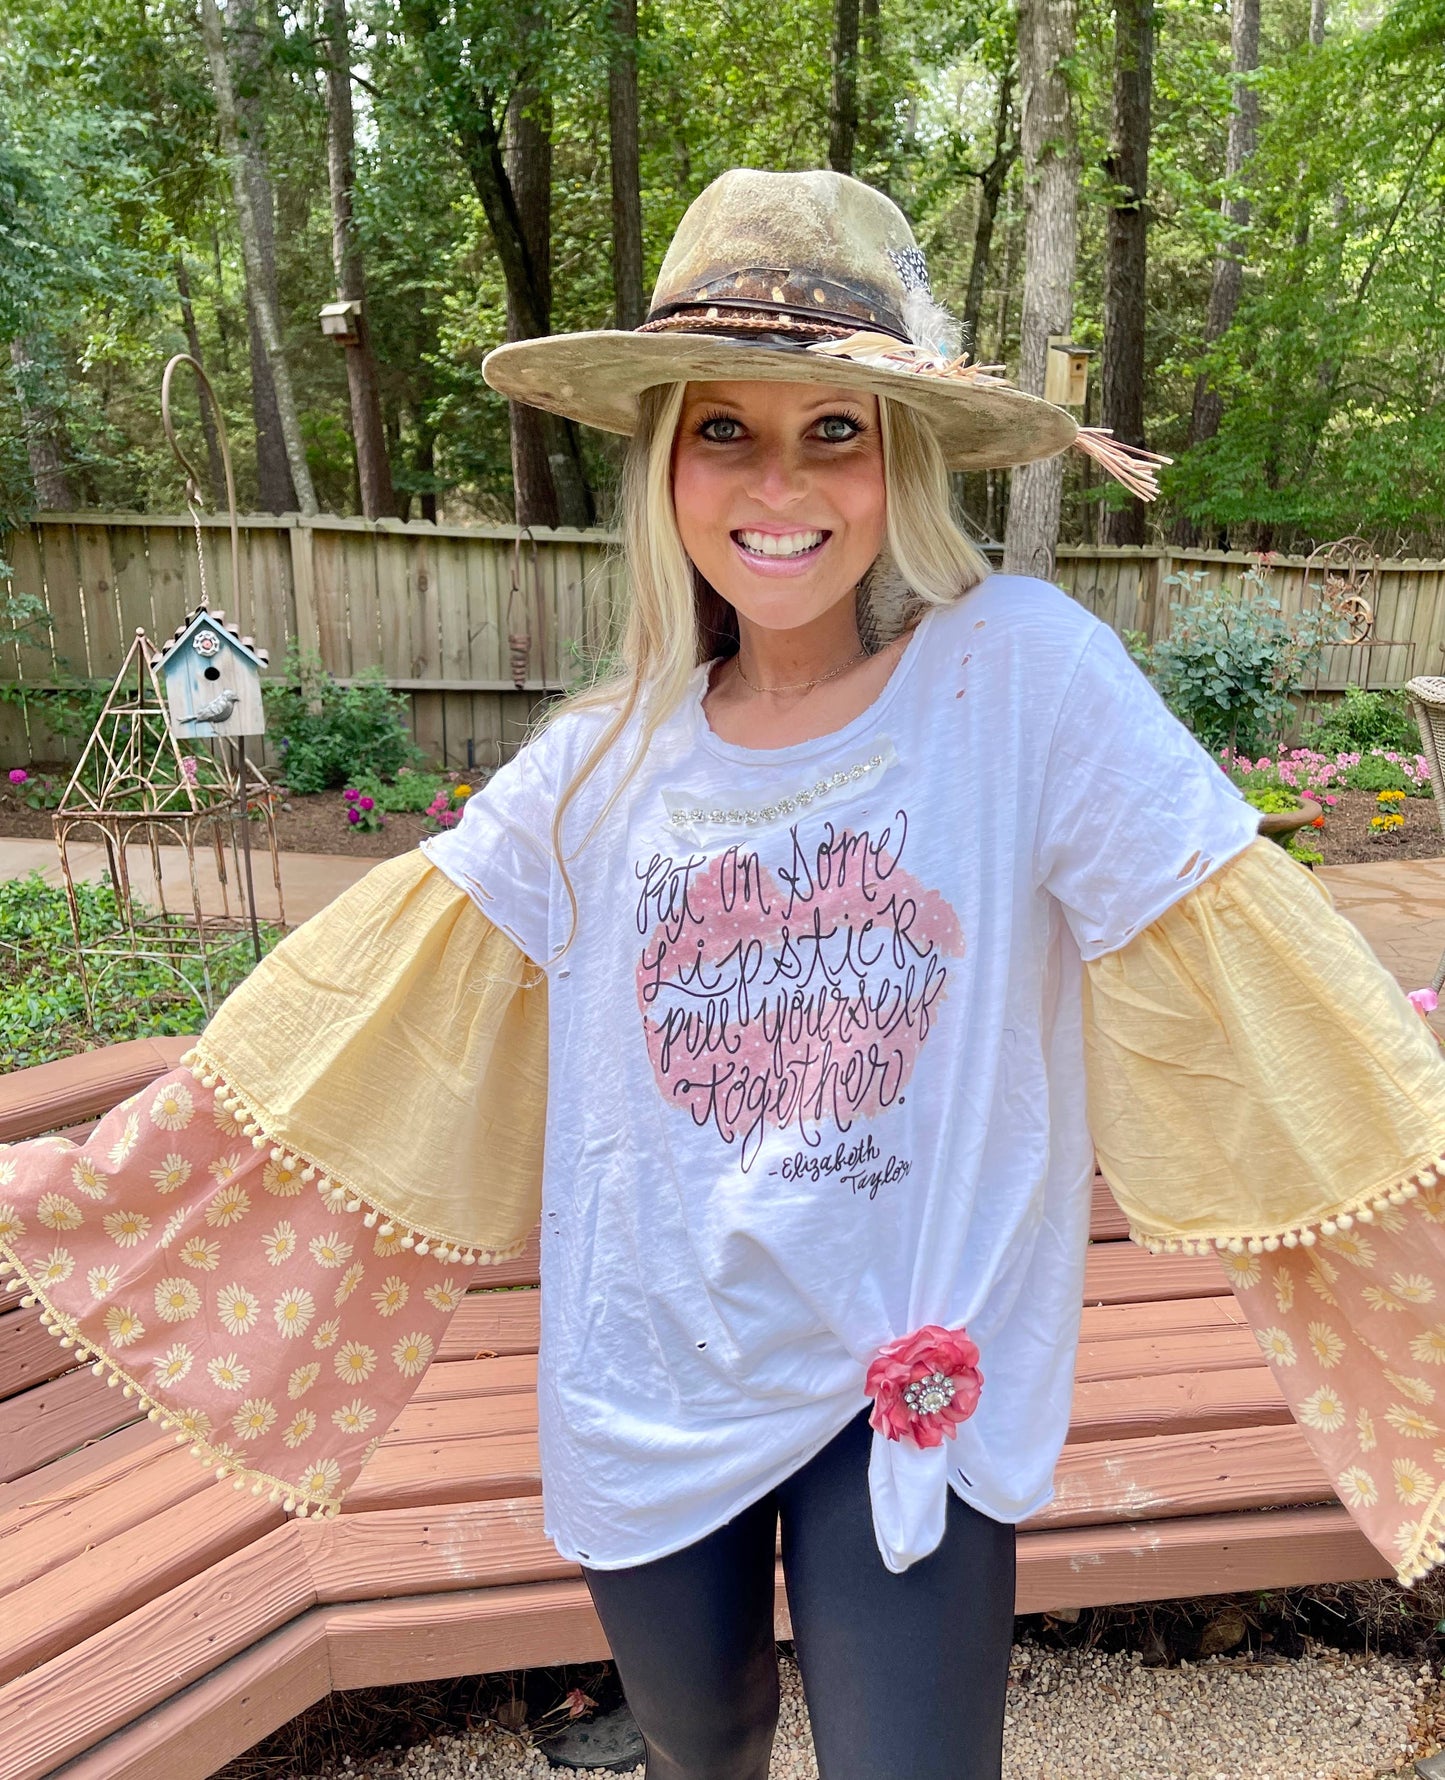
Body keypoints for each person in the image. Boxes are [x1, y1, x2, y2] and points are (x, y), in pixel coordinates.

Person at [5, 168, 1445, 1780]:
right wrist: (70, 1185)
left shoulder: (1019, 682)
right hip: (652, 1367)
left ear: (900, 460)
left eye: (836, 428)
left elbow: (1248, 958)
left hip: (907, 1371)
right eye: (724, 430)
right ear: (662, 462)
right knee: (703, 1751)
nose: (782, 481)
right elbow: (339, 1032)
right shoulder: (591, 772)